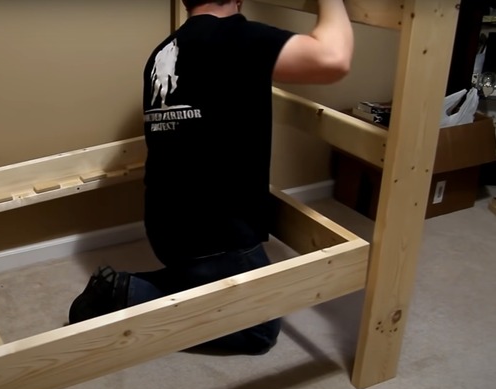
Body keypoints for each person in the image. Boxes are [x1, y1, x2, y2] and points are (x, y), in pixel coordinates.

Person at [68, 0, 354, 355]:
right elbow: (333, 59)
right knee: (259, 333)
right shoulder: (239, 38)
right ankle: (122, 294)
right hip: (217, 236)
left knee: (208, 281)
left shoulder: (163, 50)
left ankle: (182, 283)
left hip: (165, 227)